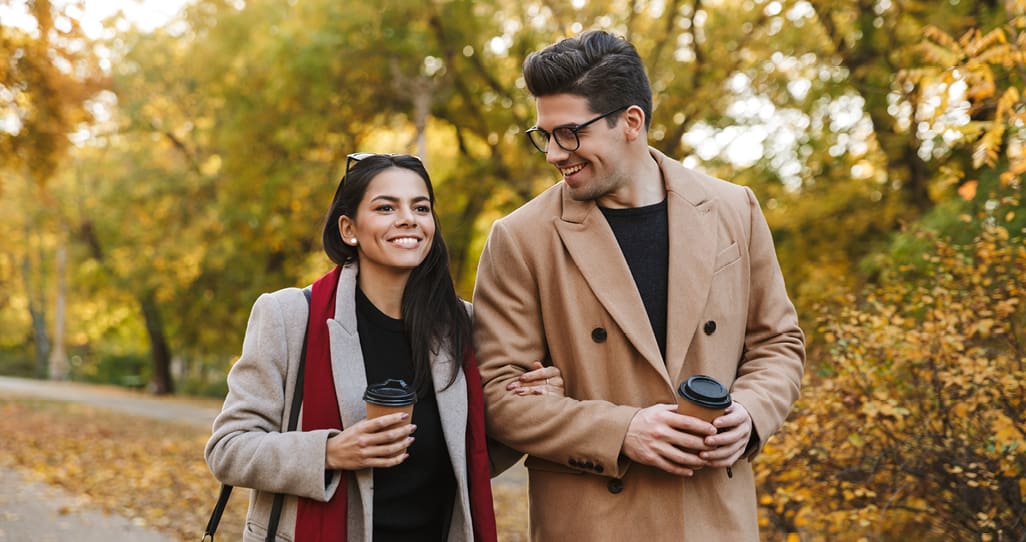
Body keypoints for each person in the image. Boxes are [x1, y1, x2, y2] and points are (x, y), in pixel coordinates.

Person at [472, 31, 806, 540]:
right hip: (592, 521)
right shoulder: (520, 239)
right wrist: (622, 431)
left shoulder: (735, 209)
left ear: (631, 122)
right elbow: (498, 395)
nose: (554, 155)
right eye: (545, 135)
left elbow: (778, 343)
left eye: (570, 133)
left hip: (714, 515)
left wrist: (752, 412)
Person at [206, 153, 561, 542]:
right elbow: (228, 448)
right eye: (386, 207)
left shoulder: (464, 326)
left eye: (420, 207)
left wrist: (535, 400)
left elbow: (473, 456)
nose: (408, 218)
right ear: (348, 228)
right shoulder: (289, 316)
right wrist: (329, 452)